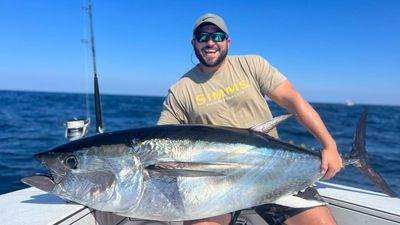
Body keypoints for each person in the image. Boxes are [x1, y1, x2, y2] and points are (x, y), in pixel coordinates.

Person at [158, 13, 342, 225]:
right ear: (194, 43)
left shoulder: (252, 64)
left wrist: (329, 145)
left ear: (228, 41)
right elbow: (162, 142)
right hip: (215, 183)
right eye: (202, 37)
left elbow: (294, 102)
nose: (210, 42)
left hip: (274, 172)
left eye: (217, 36)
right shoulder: (181, 89)